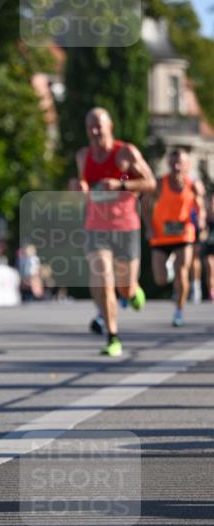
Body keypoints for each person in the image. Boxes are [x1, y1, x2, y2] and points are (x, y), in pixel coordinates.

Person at [75, 107, 156, 356]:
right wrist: (80, 189)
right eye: (90, 127)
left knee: (125, 288)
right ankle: (113, 336)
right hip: (96, 226)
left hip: (125, 227)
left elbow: (151, 183)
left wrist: (121, 184)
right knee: (103, 279)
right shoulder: (82, 156)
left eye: (99, 125)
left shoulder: (126, 152)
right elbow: (84, 185)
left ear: (110, 126)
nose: (95, 131)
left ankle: (133, 292)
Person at [143, 147, 206, 327]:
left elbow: (199, 207)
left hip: (184, 234)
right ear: (168, 164)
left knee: (182, 272)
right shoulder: (160, 184)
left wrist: (200, 220)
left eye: (181, 163)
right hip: (160, 236)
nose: (177, 166)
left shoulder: (193, 185)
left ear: (188, 165)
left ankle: (179, 311)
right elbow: (145, 206)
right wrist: (149, 227)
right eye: (173, 162)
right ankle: (168, 268)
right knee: (160, 279)